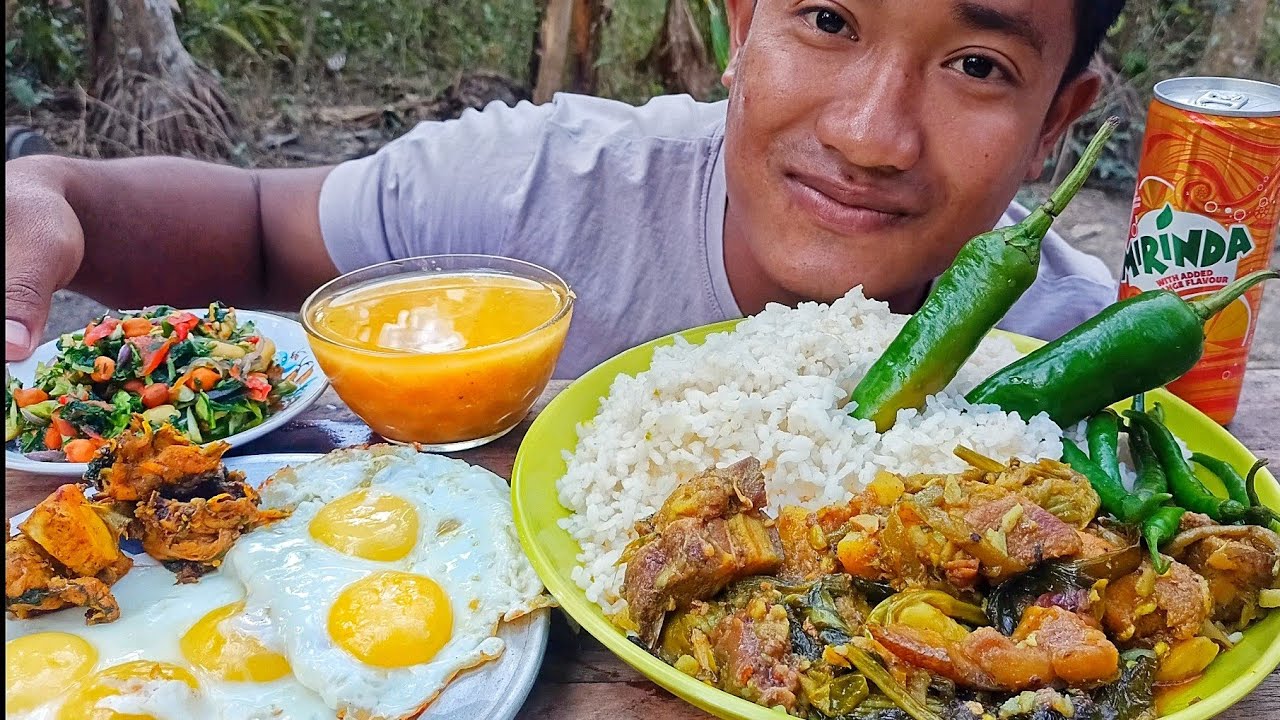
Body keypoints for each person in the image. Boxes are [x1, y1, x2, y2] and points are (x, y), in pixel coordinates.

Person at [5, 0, 1125, 377]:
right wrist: (55, 193)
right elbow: (256, 234)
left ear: (1050, 131)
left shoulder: (1076, 352)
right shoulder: (539, 187)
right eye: (826, 19)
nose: (871, 135)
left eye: (977, 67)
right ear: (739, 26)